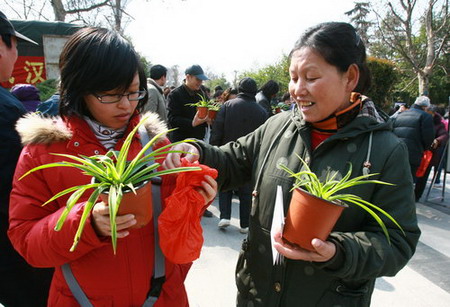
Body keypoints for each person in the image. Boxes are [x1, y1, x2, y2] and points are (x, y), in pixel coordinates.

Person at [164, 22, 420, 306]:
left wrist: (339, 251)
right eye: (293, 77)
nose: (298, 90)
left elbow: (398, 240)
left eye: (311, 77)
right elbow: (233, 160)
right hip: (257, 295)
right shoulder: (278, 126)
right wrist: (196, 151)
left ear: (350, 77)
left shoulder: (384, 149)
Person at [8, 27, 217, 306]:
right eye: (110, 95)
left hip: (160, 297)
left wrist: (194, 198)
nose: (126, 106)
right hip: (79, 299)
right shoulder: (43, 153)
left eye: (132, 93)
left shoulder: (155, 144)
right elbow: (26, 241)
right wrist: (86, 223)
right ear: (79, 88)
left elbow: (175, 229)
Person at [0, 11, 54, 307]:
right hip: (13, 255)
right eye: (15, 46)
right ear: (2, 45)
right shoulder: (7, 111)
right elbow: (20, 191)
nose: (17, 55)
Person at [210, 77, 268, 233]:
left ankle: (225, 216)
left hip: (227, 151)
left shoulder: (228, 106)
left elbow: (217, 129)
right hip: (250, 155)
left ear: (239, 89)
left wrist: (214, 149)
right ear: (254, 92)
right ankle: (244, 224)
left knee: (225, 182)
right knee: (246, 189)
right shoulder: (262, 112)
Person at [166, 64, 214, 217]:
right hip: (180, 141)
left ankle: (198, 205)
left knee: (196, 173)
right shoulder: (175, 94)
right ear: (187, 76)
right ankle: (175, 206)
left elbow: (208, 110)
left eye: (201, 80)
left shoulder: (201, 93)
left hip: (198, 141)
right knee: (178, 175)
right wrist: (192, 123)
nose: (200, 83)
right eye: (197, 79)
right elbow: (172, 119)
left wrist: (209, 119)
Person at [393, 95, 435, 191]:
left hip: (396, 151)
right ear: (425, 107)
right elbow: (428, 137)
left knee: (395, 179)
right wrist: (424, 148)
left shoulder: (401, 114)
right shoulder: (426, 116)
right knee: (407, 182)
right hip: (414, 153)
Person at [414, 104, 449, 199]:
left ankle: (416, 196)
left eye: (430, 114)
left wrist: (437, 140)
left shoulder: (438, 123)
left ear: (434, 114)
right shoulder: (420, 118)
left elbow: (444, 135)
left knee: (423, 176)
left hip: (429, 154)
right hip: (417, 151)